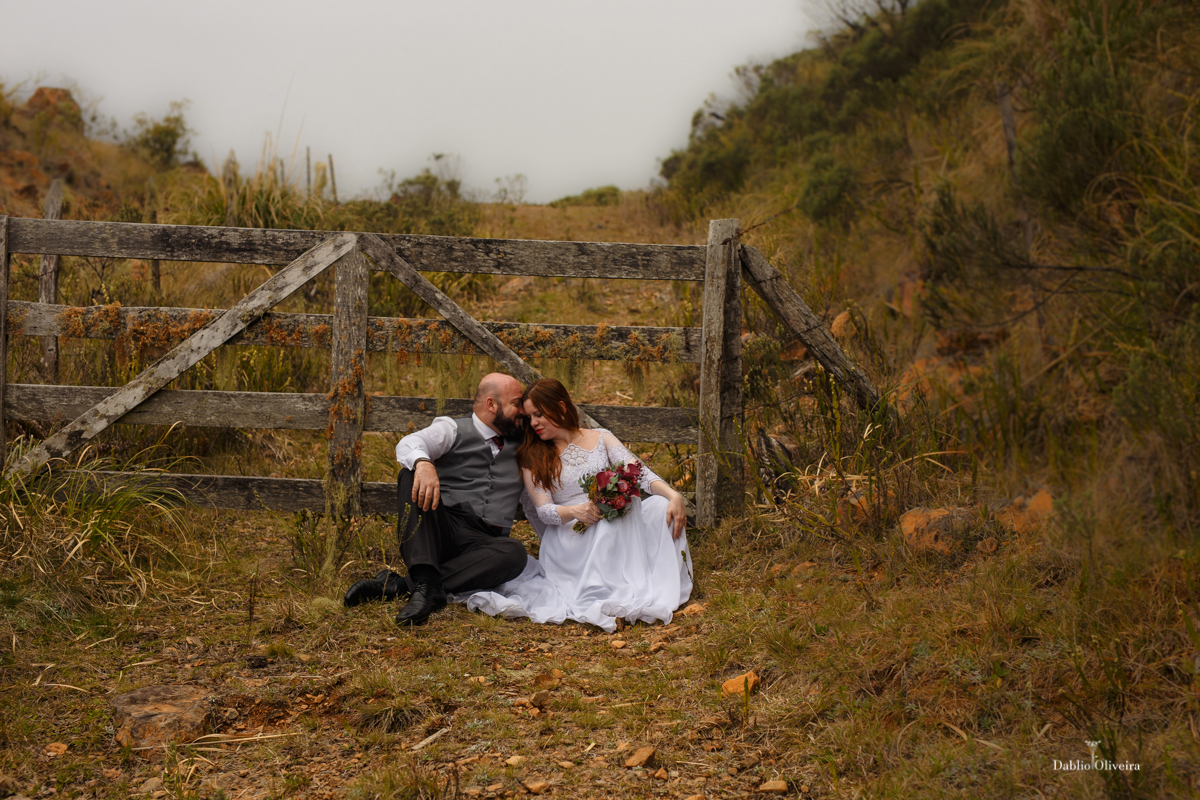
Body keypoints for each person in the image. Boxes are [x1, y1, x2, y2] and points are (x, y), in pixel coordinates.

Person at [461, 379, 692, 632]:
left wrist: (674, 495)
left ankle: (643, 578)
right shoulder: (532, 456)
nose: (534, 422)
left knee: (657, 505)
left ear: (560, 407)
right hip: (571, 536)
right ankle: (611, 588)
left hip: (613, 523)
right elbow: (544, 511)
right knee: (609, 518)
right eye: (529, 417)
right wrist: (574, 511)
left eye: (539, 414)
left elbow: (638, 472)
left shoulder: (601, 438)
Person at [342, 373, 530, 625]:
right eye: (517, 403)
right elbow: (411, 442)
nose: (523, 411)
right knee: (410, 473)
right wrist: (423, 463)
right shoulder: (452, 428)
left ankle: (405, 585)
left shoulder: (526, 441)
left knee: (515, 553)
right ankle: (424, 578)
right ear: (491, 404)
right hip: (441, 529)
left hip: (484, 544)